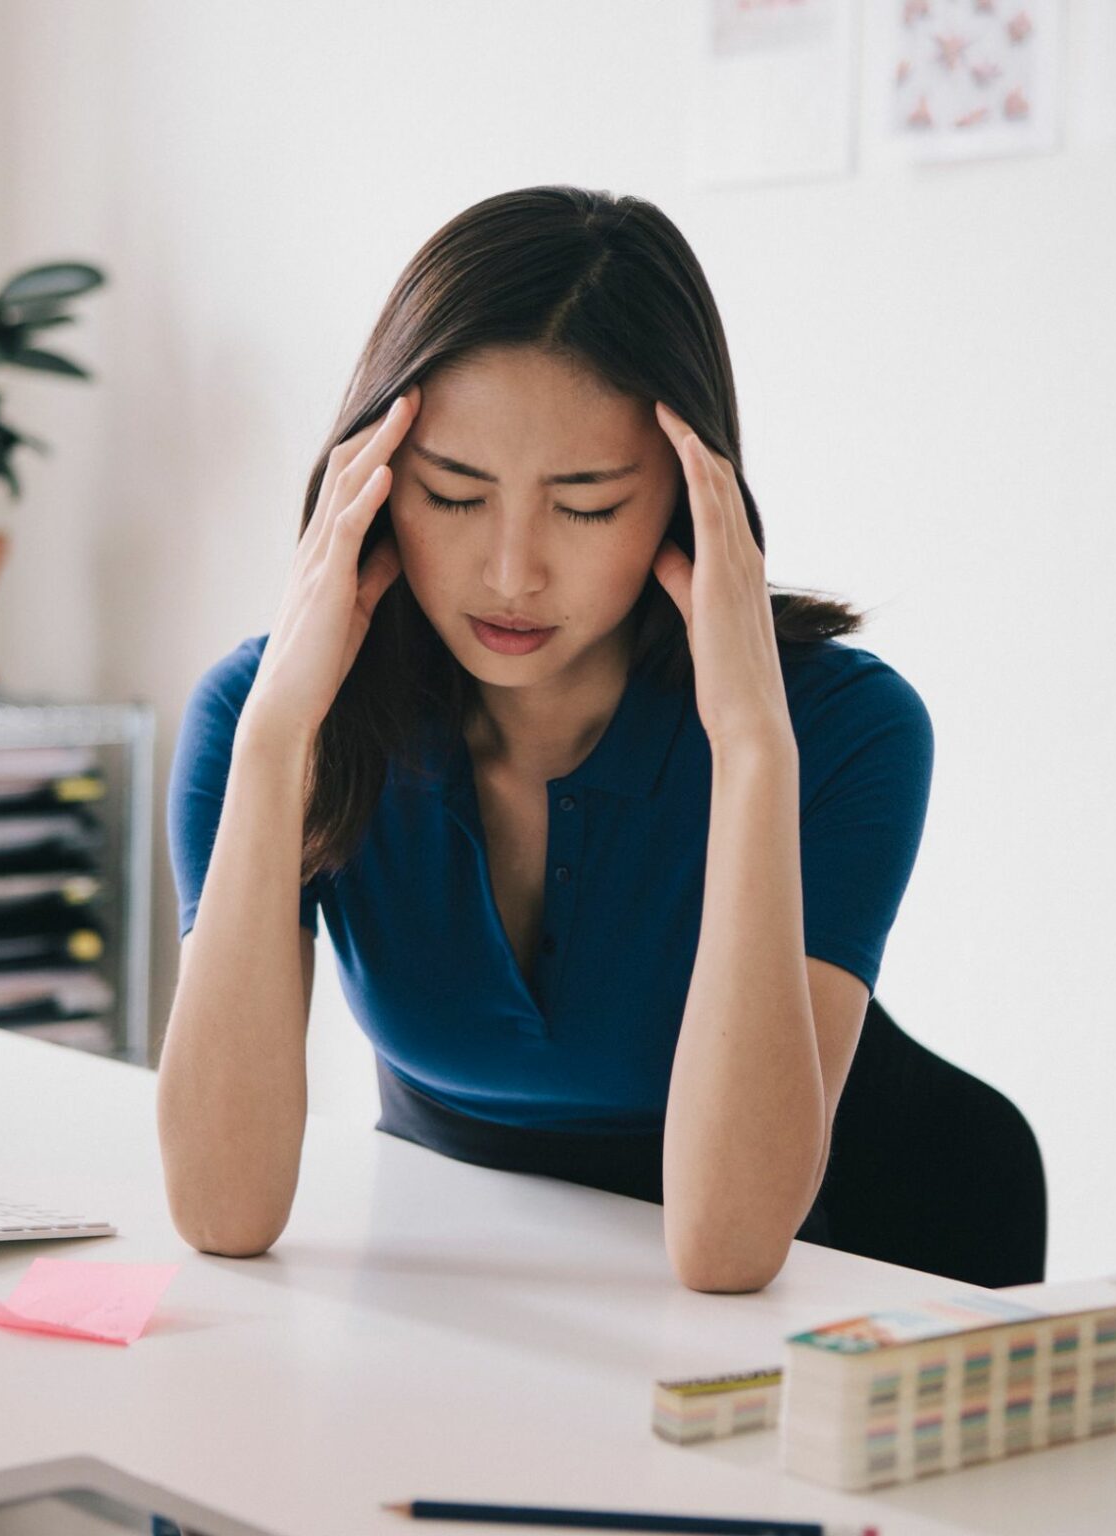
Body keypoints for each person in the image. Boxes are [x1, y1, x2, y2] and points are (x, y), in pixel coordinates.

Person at [158, 185, 934, 1298]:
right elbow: (221, 1214)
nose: (512, 572)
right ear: (367, 490)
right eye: (453, 493)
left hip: (751, 1337)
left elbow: (726, 1252)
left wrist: (751, 752)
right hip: (441, 1304)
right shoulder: (262, 716)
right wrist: (278, 737)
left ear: (687, 498)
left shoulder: (843, 728)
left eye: (584, 506)